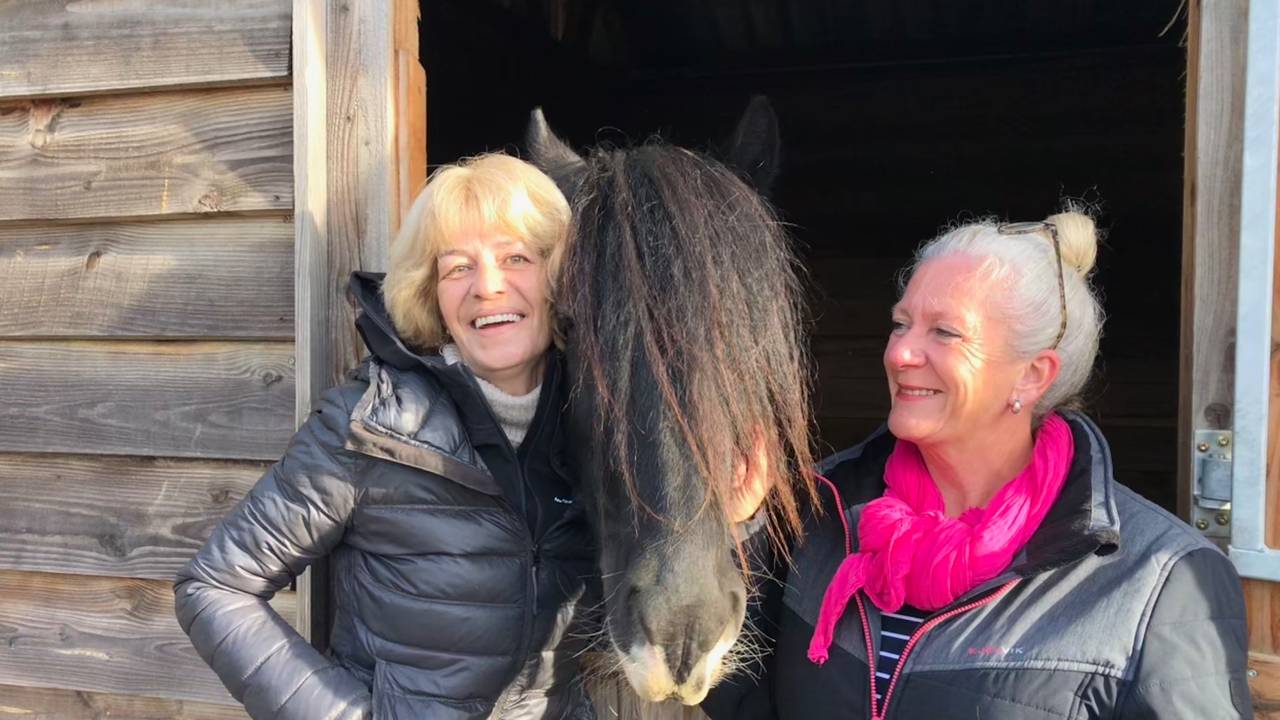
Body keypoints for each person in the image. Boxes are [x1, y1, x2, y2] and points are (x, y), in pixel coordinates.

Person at [702, 212, 1253, 719]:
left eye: (944, 332)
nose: (900, 353)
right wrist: (732, 531)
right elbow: (748, 698)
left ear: (1032, 376)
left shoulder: (1160, 582)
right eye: (901, 324)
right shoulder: (819, 512)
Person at [174, 153, 600, 720]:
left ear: (559, 278)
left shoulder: (598, 425)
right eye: (457, 268)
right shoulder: (370, 427)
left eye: (516, 257)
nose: (488, 287)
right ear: (433, 296)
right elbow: (214, 587)